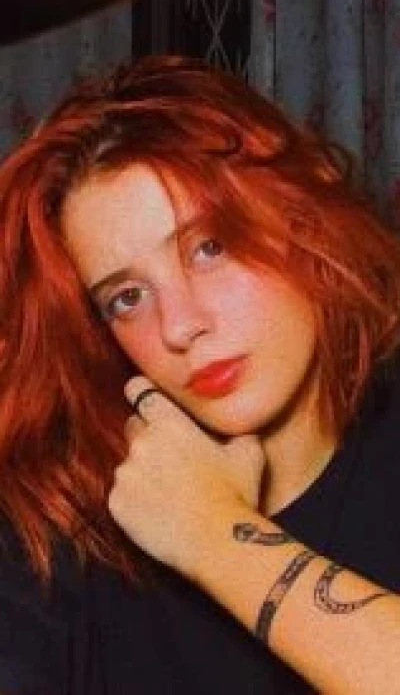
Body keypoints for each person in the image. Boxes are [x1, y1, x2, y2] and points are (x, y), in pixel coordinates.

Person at [0, 55, 399, 695]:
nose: (180, 326)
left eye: (209, 247)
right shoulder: (57, 534)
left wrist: (213, 534)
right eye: (127, 297)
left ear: (304, 217)